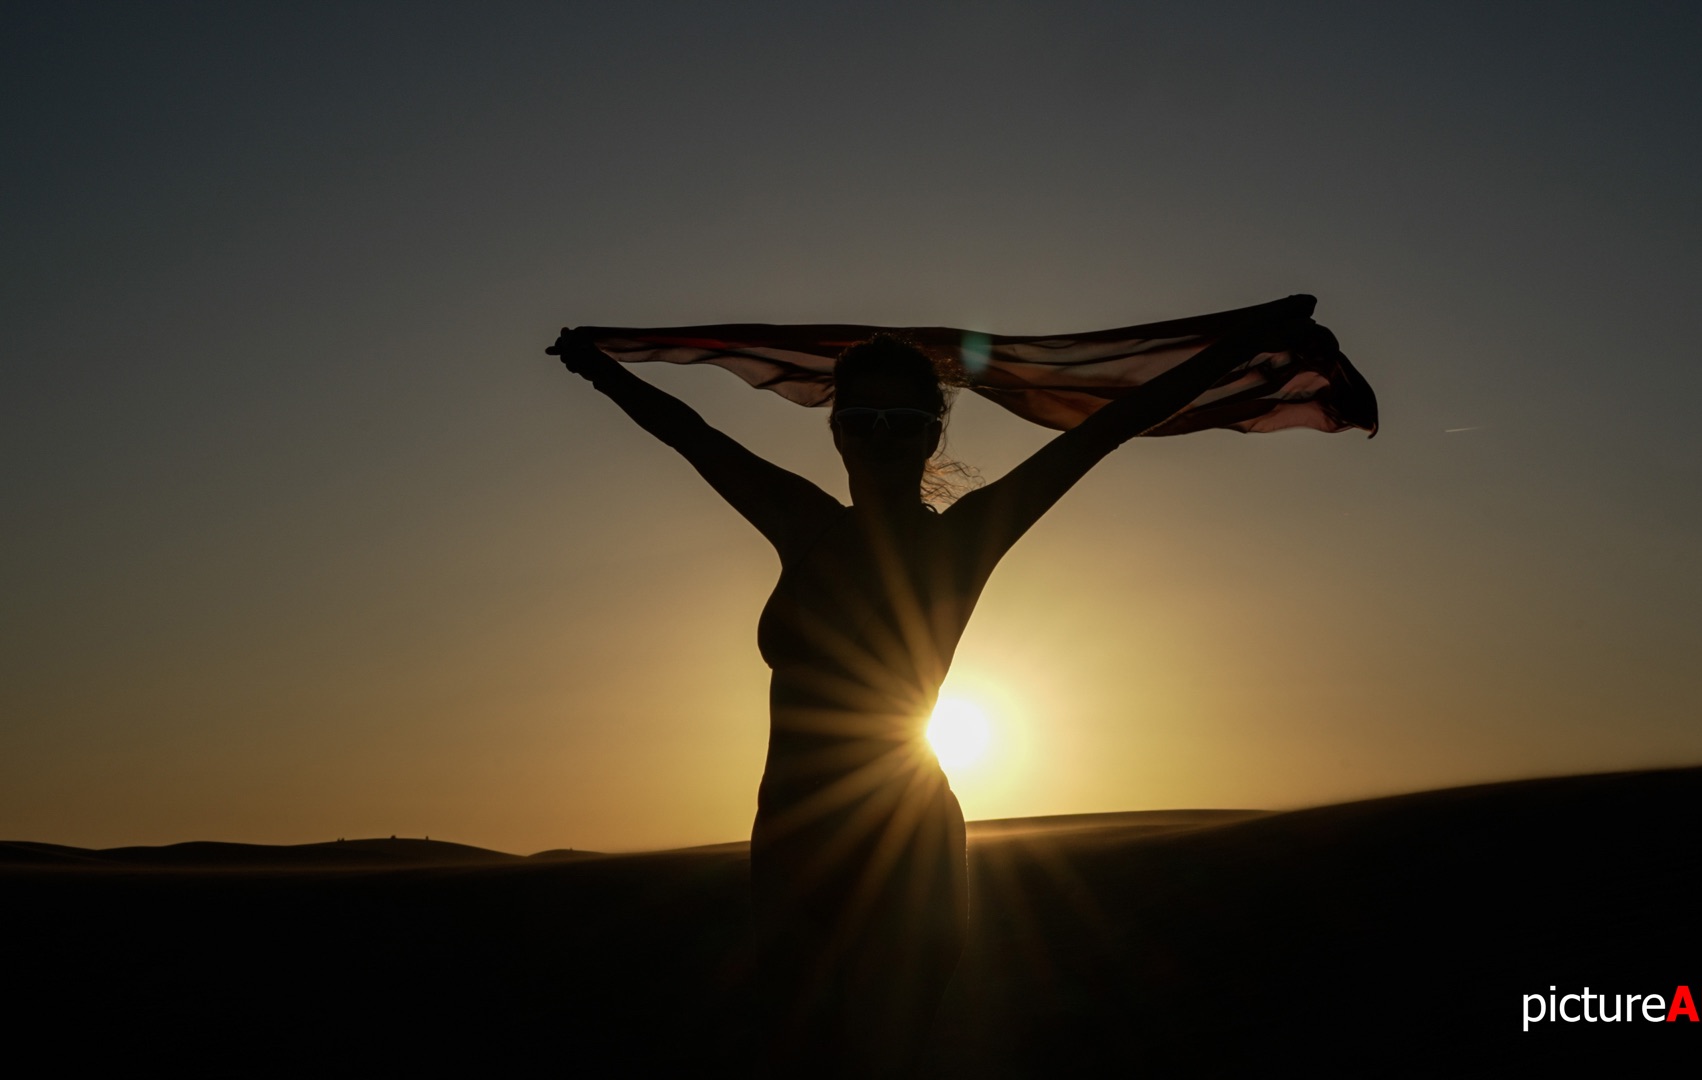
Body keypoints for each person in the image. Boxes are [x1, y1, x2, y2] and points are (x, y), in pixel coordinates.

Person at [551, 310, 1319, 1076]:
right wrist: (597, 368)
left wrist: (1242, 349)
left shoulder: (962, 541)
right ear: (838, 433)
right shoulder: (803, 523)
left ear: (931, 434)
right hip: (789, 841)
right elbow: (692, 435)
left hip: (904, 842)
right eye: (862, 420)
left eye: (903, 422)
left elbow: (1103, 430)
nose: (881, 438)